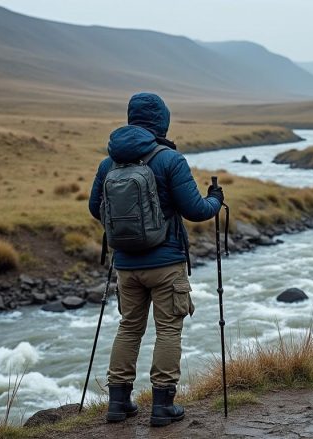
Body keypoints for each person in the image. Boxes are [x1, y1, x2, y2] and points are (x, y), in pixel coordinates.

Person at [88, 92, 223, 426]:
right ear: (161, 120)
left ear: (131, 118)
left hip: (126, 266)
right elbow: (195, 210)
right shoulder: (169, 160)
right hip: (167, 265)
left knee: (129, 328)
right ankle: (162, 407)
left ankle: (118, 404)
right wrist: (215, 200)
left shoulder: (109, 163)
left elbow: (95, 208)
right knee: (168, 331)